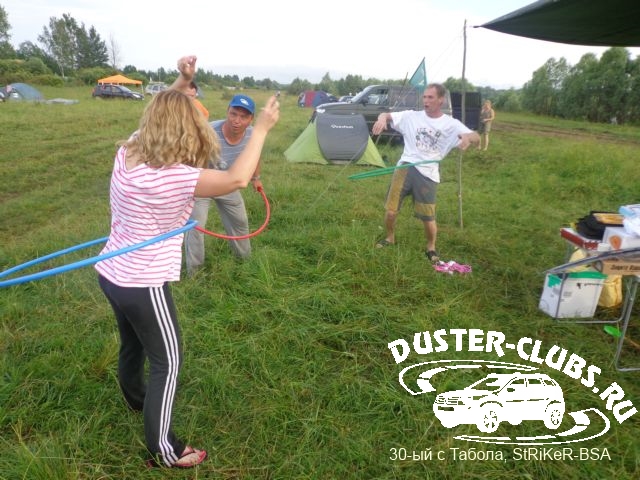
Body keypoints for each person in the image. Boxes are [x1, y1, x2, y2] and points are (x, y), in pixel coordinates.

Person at [95, 66, 280, 467]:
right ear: (185, 129)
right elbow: (236, 179)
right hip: (143, 283)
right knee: (168, 361)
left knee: (132, 344)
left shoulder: (128, 152)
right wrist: (262, 129)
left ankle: (137, 400)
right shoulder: (177, 177)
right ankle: (165, 450)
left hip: (110, 271)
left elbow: (161, 112)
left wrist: (180, 82)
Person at [372, 83, 479, 263]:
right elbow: (386, 115)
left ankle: (431, 247)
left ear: (440, 100)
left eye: (430, 97)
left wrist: (468, 137)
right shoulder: (411, 116)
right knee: (391, 211)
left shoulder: (450, 124)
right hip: (405, 167)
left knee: (428, 217)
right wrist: (382, 119)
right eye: (424, 97)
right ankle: (389, 238)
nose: (426, 101)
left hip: (428, 173)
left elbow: (476, 137)